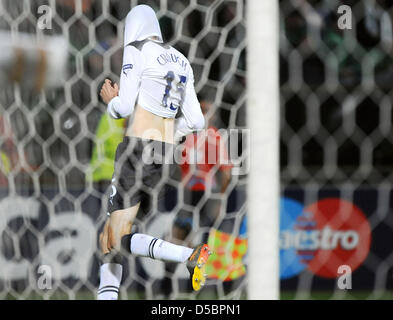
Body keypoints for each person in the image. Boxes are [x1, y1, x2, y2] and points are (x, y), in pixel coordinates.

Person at [97, 5, 211, 300]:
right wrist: (173, 134)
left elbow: (122, 108)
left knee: (115, 239)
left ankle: (188, 254)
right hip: (164, 157)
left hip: (137, 151)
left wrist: (110, 98)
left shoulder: (138, 49)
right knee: (109, 240)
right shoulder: (182, 60)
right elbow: (197, 121)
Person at [162, 99, 232, 297]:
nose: (205, 114)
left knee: (191, 241)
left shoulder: (203, 137)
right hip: (194, 196)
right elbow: (225, 173)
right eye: (202, 109)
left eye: (207, 110)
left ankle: (175, 289)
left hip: (201, 196)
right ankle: (176, 289)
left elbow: (225, 172)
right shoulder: (200, 136)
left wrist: (218, 198)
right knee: (186, 241)